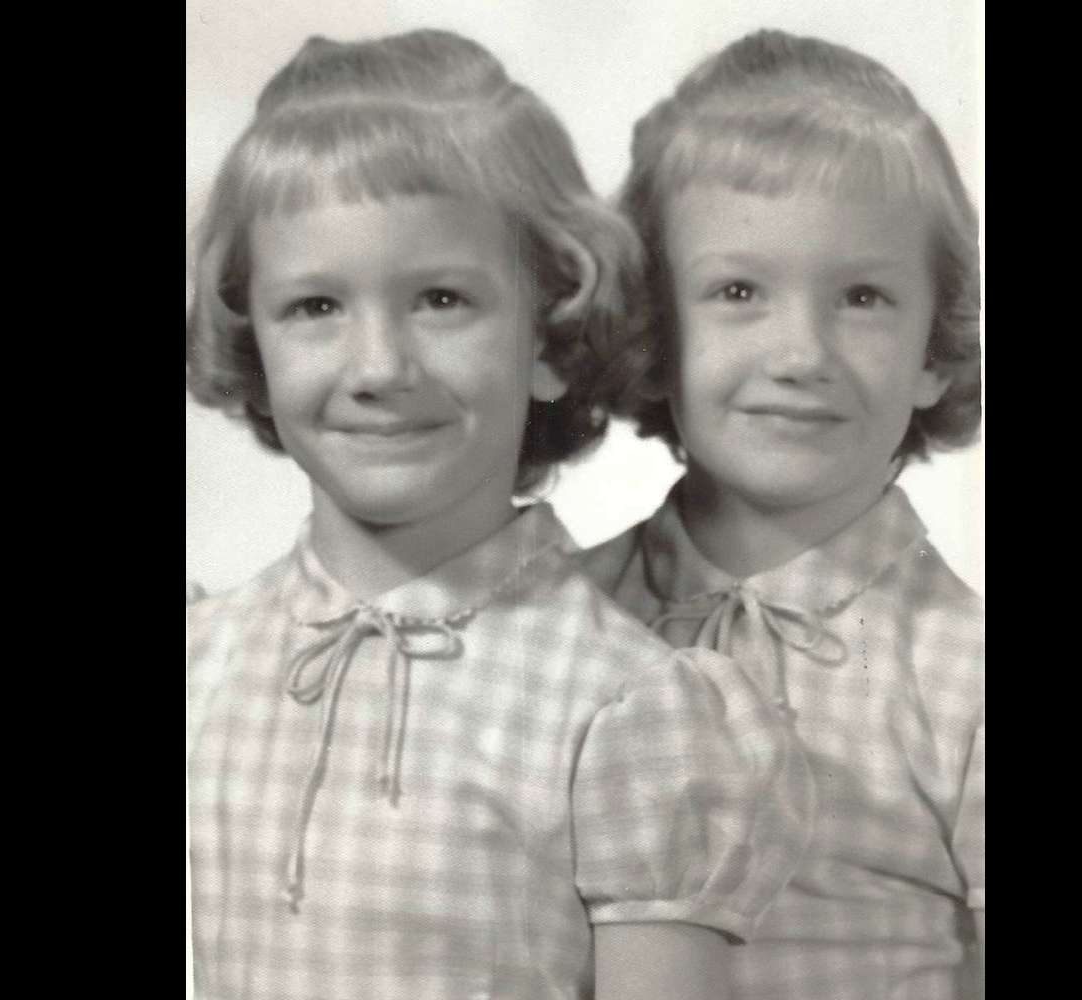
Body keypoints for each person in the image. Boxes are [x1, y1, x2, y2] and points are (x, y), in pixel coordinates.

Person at [185, 29, 815, 1000]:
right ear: (251, 348)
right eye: (315, 307)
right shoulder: (208, 661)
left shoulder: (626, 707)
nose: (379, 367)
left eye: (440, 298)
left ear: (552, 338)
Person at [582, 29, 984, 1000]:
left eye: (860, 295)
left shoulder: (961, 674)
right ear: (652, 328)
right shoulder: (557, 622)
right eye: (737, 291)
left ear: (934, 348)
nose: (800, 350)